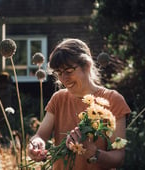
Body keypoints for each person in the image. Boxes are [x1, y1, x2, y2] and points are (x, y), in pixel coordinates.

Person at [28, 38, 131, 170]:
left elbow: (119, 157)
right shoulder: (58, 98)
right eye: (59, 73)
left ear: (87, 66)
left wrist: (94, 153)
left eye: (69, 71)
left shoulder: (113, 100)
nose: (64, 78)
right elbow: (40, 135)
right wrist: (36, 144)